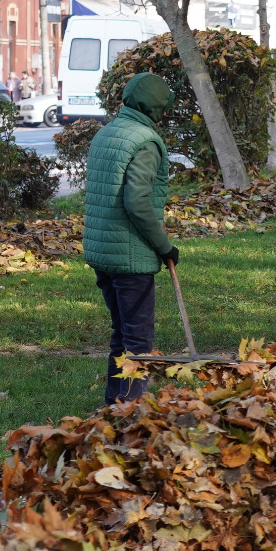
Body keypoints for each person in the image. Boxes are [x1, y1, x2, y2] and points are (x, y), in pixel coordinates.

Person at [82, 73, 180, 403]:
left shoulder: (107, 133)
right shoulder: (145, 141)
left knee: (120, 335)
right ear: (155, 107)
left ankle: (113, 407)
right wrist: (164, 246)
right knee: (137, 342)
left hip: (103, 253)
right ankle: (130, 415)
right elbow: (137, 202)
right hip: (129, 256)